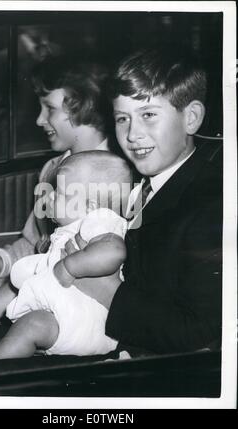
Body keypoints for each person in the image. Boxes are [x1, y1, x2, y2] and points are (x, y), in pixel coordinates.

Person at [0, 57, 113, 310]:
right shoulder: (51, 171)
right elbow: (35, 242)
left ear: (84, 107)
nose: (39, 120)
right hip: (28, 282)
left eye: (49, 108)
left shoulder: (115, 178)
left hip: (67, 304)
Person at [99, 46, 223, 355]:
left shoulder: (213, 207)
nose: (132, 134)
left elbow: (202, 334)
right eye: (122, 119)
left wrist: (106, 291)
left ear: (191, 118)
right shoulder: (143, 183)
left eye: (149, 115)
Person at [0, 151, 132, 372]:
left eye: (61, 193)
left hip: (87, 322)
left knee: (32, 326)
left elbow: (114, 252)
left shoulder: (100, 221)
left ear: (91, 206)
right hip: (68, 310)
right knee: (28, 279)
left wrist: (70, 266)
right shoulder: (75, 226)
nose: (50, 198)